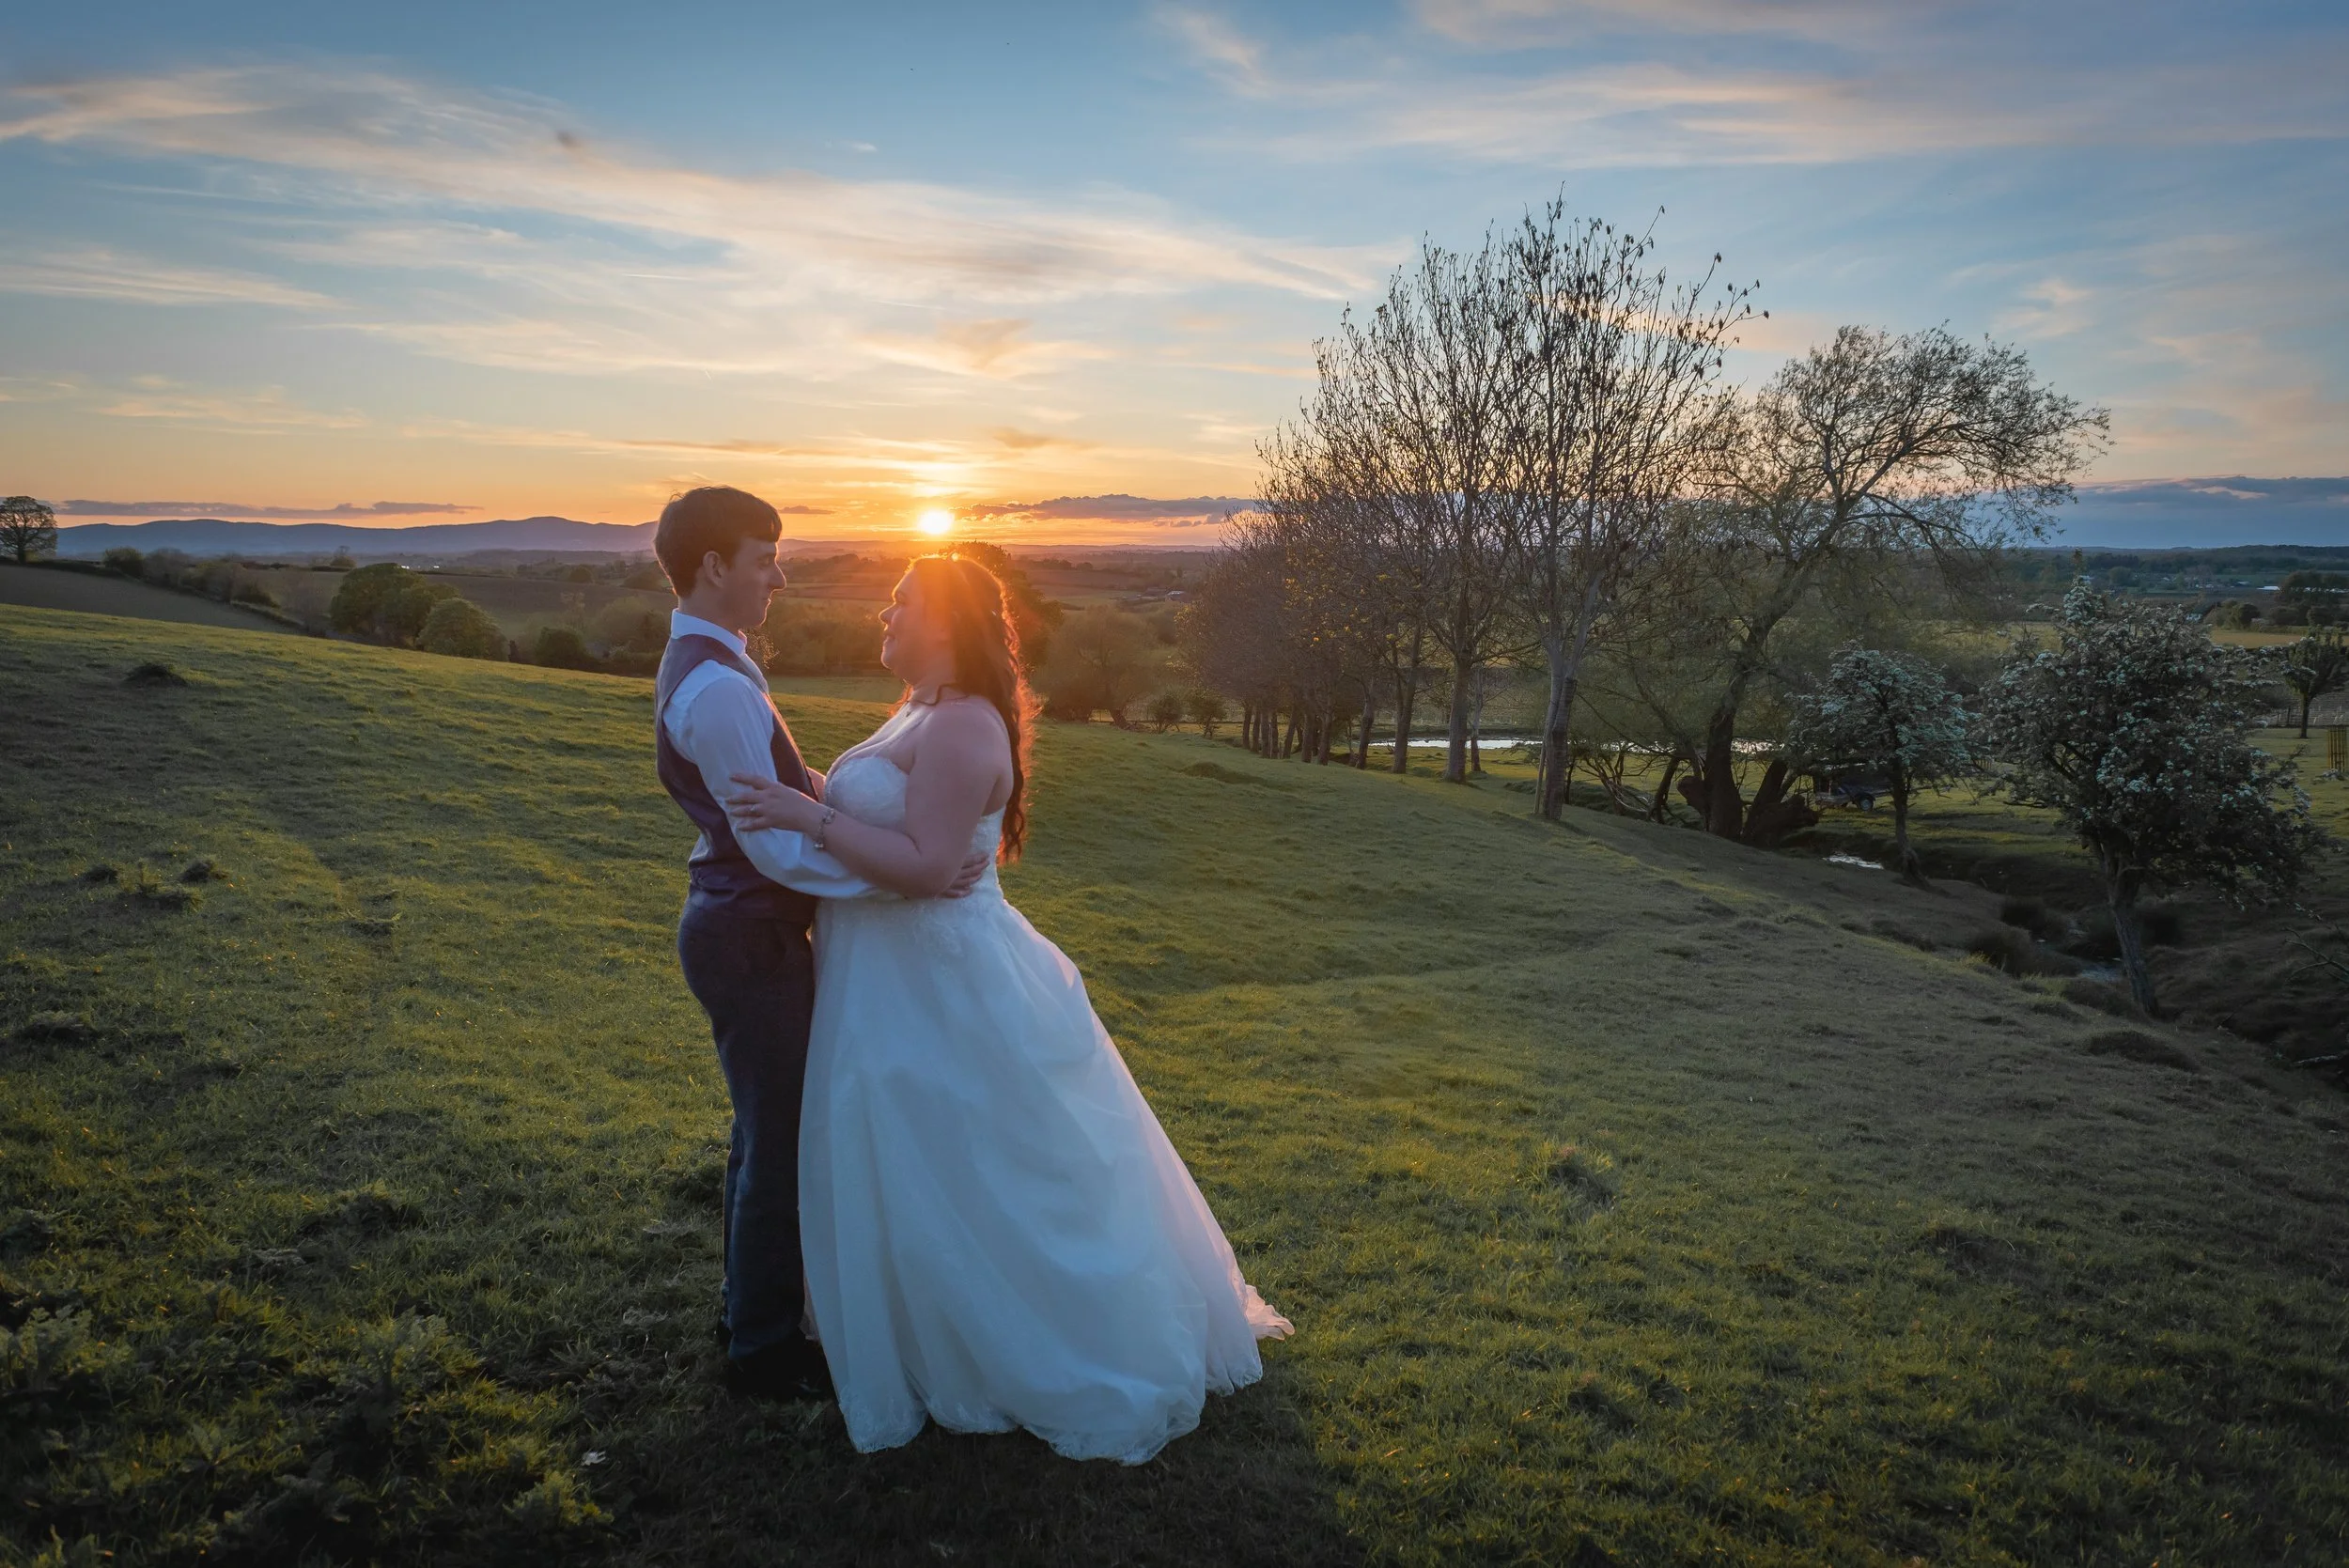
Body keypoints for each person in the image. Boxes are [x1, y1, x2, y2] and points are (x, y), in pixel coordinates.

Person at [723, 551, 1290, 1463]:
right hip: (887, 976)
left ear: (945, 623)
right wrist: (823, 805)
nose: (883, 616)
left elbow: (922, 867)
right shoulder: (921, 709)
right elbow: (901, 835)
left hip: (939, 982)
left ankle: (1027, 1339)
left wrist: (805, 815)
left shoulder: (960, 728)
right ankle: (916, 1323)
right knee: (913, 1159)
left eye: (899, 603)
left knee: (972, 1165)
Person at [648, 488, 987, 1400]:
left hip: (745, 926)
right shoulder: (716, 689)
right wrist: (902, 875)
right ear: (715, 566)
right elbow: (773, 844)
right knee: (781, 1137)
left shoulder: (713, 667)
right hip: (748, 933)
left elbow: (785, 818)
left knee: (764, 1130)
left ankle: (747, 1310)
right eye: (764, 558)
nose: (779, 576)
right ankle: (761, 1346)